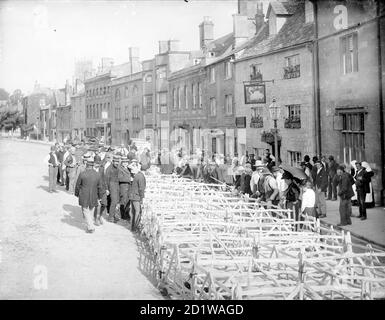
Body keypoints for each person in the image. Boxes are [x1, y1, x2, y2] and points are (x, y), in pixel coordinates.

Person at [74, 159, 105, 233]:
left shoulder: (82, 174)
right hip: (94, 195)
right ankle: (89, 225)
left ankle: (91, 227)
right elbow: (100, 187)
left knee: (85, 210)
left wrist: (76, 193)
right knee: (91, 210)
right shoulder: (97, 174)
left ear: (86, 166)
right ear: (92, 166)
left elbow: (78, 185)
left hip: (84, 195)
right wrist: (100, 196)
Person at [128, 161, 146, 232]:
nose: (132, 171)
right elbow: (141, 188)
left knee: (133, 212)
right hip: (136, 197)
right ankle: (135, 228)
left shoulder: (137, 176)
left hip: (133, 196)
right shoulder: (140, 176)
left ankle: (132, 227)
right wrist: (142, 198)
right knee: (137, 212)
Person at [105, 154, 121, 223]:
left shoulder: (118, 167)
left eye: (118, 162)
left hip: (117, 185)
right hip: (111, 185)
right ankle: (110, 217)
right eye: (115, 161)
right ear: (113, 161)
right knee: (114, 201)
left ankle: (114, 215)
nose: (116, 163)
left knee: (116, 201)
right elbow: (106, 179)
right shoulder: (109, 169)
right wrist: (107, 189)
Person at [93, 158, 106, 226]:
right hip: (95, 190)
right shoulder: (91, 170)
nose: (97, 165)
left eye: (98, 163)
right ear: (93, 163)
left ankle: (100, 215)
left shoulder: (101, 169)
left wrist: (106, 189)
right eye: (96, 163)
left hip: (102, 189)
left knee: (104, 204)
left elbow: (104, 179)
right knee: (97, 205)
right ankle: (96, 219)